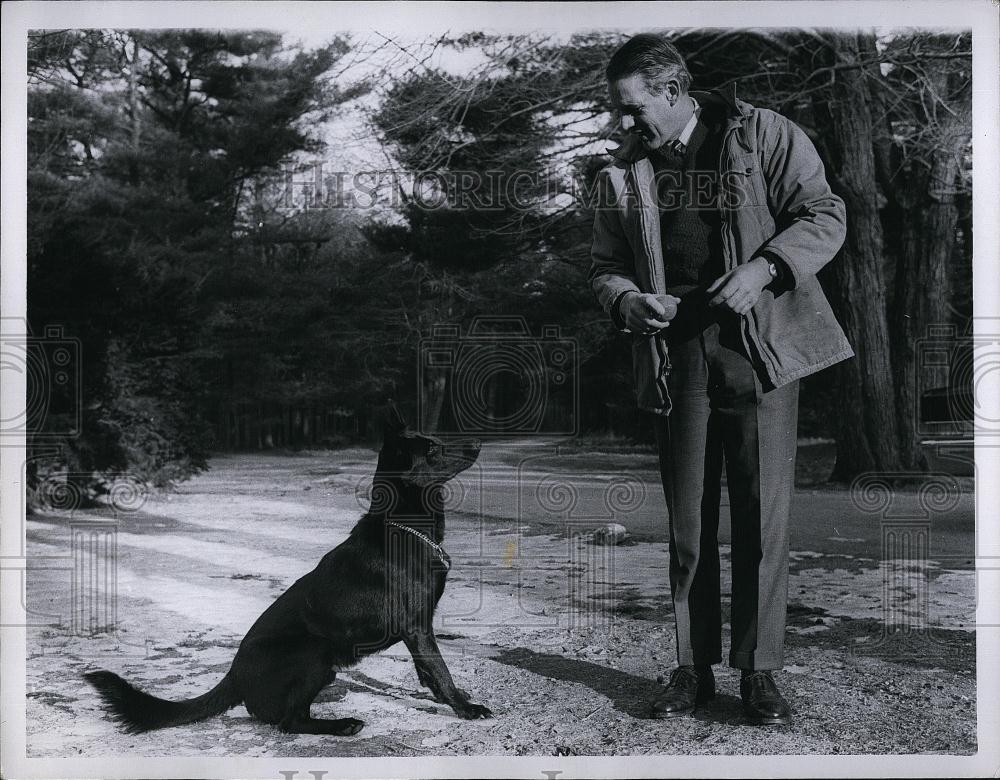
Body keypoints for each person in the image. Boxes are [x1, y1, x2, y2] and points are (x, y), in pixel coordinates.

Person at [589, 33, 854, 726]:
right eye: (618, 109)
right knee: (689, 524)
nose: (622, 121)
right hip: (676, 360)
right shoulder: (620, 172)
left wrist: (765, 269)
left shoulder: (763, 134)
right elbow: (604, 266)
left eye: (631, 107)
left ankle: (759, 674)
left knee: (762, 519)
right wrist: (626, 300)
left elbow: (825, 214)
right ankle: (692, 669)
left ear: (674, 91)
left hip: (760, 351)